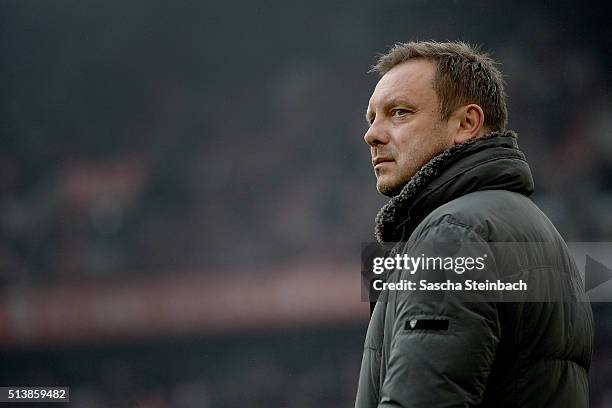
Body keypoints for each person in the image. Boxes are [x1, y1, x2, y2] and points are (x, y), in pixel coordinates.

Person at [355, 41, 593, 408]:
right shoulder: (531, 226)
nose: (372, 134)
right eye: (372, 118)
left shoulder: (454, 233)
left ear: (467, 123)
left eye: (399, 113)